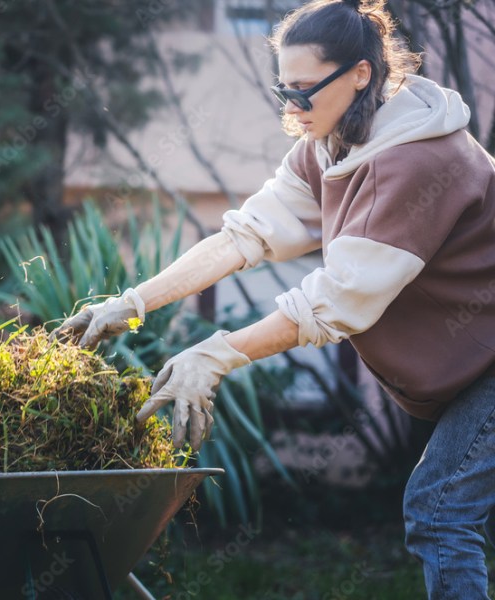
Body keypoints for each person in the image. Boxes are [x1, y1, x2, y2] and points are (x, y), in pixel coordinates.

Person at [55, 0, 495, 597]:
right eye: (284, 89)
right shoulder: (331, 144)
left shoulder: (419, 159)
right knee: (444, 509)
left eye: (307, 90)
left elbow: (336, 300)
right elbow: (245, 235)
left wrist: (215, 355)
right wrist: (129, 303)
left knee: (439, 511)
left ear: (361, 74)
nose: (293, 107)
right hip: (471, 362)